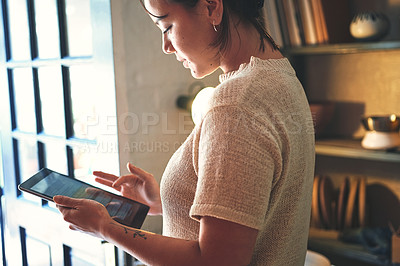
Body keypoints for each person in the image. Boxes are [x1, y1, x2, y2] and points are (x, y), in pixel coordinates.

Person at [53, 0, 315, 265]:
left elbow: (215, 261)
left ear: (212, 7)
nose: (165, 46)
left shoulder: (236, 104)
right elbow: (251, 217)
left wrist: (105, 228)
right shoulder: (282, 77)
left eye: (166, 25)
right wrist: (171, 201)